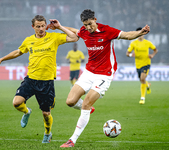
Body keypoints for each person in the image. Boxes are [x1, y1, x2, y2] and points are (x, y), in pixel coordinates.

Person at [48, 9, 151, 147]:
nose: (88, 28)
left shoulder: (107, 30)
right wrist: (59, 26)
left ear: (95, 20)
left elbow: (126, 35)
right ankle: (89, 109)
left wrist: (140, 33)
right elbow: (75, 30)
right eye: (85, 25)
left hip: (104, 74)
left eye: (90, 24)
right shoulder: (84, 31)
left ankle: (72, 140)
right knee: (70, 101)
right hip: (89, 72)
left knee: (85, 104)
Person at [0, 15, 78, 143]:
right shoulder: (28, 40)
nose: (41, 29)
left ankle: (47, 133)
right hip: (31, 79)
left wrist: (59, 27)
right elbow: (18, 52)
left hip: (46, 82)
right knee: (16, 103)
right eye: (38, 26)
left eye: (43, 26)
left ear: (46, 26)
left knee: (46, 114)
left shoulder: (54, 37)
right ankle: (27, 112)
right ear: (33, 27)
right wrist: (1, 59)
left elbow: (74, 37)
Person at [126, 27, 158, 105]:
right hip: (138, 65)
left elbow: (155, 50)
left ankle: (142, 98)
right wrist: (130, 55)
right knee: (142, 80)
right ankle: (148, 84)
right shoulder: (133, 43)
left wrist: (152, 55)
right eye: (139, 33)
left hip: (146, 63)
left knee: (142, 78)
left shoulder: (147, 43)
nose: (140, 35)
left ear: (144, 33)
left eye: (141, 33)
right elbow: (127, 53)